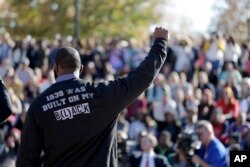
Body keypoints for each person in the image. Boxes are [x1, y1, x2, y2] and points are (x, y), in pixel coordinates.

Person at [16, 27, 169, 167]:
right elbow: (142, 78)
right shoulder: (102, 94)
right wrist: (160, 43)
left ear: (55, 68)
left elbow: (26, 160)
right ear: (81, 69)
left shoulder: (39, 105)